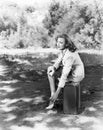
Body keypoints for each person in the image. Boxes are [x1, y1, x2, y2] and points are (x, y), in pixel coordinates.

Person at [46, 34, 85, 110]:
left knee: (58, 77)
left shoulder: (70, 55)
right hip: (71, 71)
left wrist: (57, 93)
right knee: (50, 70)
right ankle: (52, 94)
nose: (58, 44)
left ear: (66, 44)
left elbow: (64, 74)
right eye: (57, 42)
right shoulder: (64, 50)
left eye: (61, 42)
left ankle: (54, 97)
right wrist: (53, 67)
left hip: (76, 75)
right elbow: (59, 60)